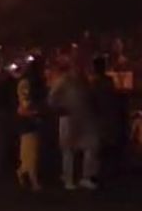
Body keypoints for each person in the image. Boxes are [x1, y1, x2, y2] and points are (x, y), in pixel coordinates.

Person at [49, 61, 98, 190]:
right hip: (68, 118)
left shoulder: (84, 82)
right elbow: (52, 98)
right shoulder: (64, 81)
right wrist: (60, 109)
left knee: (89, 147)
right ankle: (68, 179)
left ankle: (85, 177)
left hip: (83, 119)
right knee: (68, 150)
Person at [89, 55, 126, 183]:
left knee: (100, 148)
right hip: (107, 117)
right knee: (107, 147)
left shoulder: (95, 82)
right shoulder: (108, 81)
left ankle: (99, 174)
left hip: (99, 118)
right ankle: (107, 173)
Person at [15, 56, 47, 191]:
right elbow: (25, 102)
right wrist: (34, 112)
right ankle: (32, 179)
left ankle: (24, 172)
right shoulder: (27, 84)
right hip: (29, 118)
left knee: (29, 150)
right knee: (31, 150)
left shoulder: (28, 83)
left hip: (30, 117)